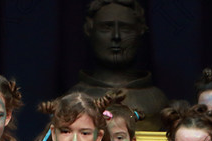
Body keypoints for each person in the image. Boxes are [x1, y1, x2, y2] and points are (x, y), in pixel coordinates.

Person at [71, 0, 168, 129]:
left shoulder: (158, 102)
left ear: (140, 32)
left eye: (125, 28)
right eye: (106, 27)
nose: (116, 36)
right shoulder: (73, 99)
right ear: (89, 30)